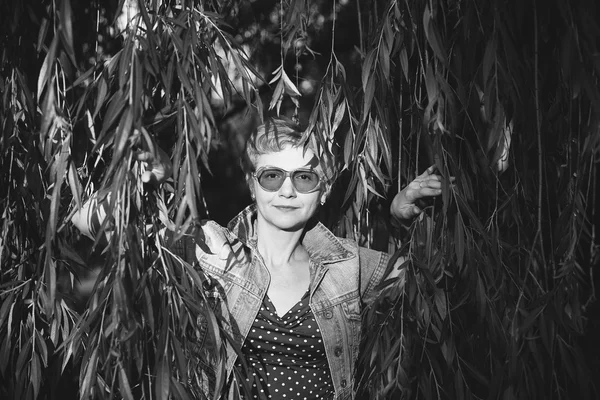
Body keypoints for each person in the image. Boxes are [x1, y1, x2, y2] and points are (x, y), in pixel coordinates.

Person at [72, 118, 446, 400]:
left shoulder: (347, 264)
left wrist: (400, 220)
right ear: (252, 184)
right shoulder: (212, 249)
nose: (286, 190)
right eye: (271, 176)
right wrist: (136, 188)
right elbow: (84, 219)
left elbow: (428, 284)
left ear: (325, 190)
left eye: (304, 178)